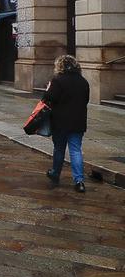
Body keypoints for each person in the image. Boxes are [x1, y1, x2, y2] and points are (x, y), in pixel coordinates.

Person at [42, 55, 90, 192]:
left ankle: (55, 173)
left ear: (60, 66)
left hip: (60, 121)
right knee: (76, 150)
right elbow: (85, 100)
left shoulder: (58, 81)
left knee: (59, 149)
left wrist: (48, 89)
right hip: (78, 122)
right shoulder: (83, 81)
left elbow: (48, 99)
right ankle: (79, 181)